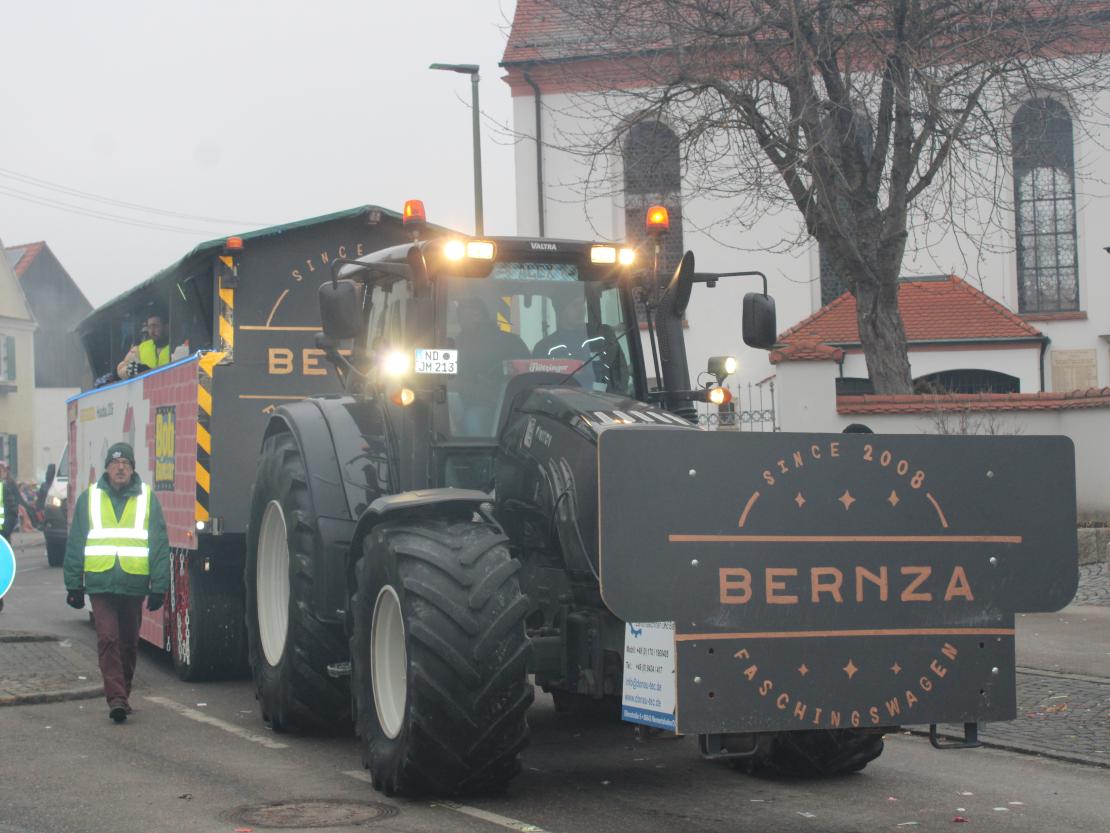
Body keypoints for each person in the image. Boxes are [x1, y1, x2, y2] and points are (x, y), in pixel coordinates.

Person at [63, 443, 170, 723]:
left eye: (126, 463)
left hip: (134, 584)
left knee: (128, 644)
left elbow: (159, 544)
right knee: (108, 639)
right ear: (107, 468)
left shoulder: (147, 498)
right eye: (115, 463)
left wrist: (160, 585)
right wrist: (74, 584)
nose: (120, 467)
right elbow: (76, 543)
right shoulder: (90, 498)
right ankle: (117, 699)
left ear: (133, 468)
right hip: (101, 583)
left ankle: (124, 691)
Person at [452, 298, 529, 435]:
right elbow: (451, 382)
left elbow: (528, 375)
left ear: (484, 316)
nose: (470, 320)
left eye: (474, 314)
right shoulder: (455, 346)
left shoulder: (511, 342)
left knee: (474, 420)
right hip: (473, 403)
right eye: (464, 316)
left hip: (511, 405)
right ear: (460, 321)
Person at [532, 294, 628, 392]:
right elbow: (541, 388)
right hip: (562, 405)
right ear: (560, 309)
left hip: (604, 403)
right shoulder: (545, 348)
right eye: (575, 305)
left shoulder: (603, 336)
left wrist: (615, 401)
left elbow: (620, 372)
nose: (581, 310)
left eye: (582, 304)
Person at [116, 312, 171, 380]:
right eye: (149, 327)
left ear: (166, 327)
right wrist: (134, 369)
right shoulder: (140, 348)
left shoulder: (176, 346)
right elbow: (121, 369)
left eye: (155, 326)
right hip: (147, 388)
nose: (152, 331)